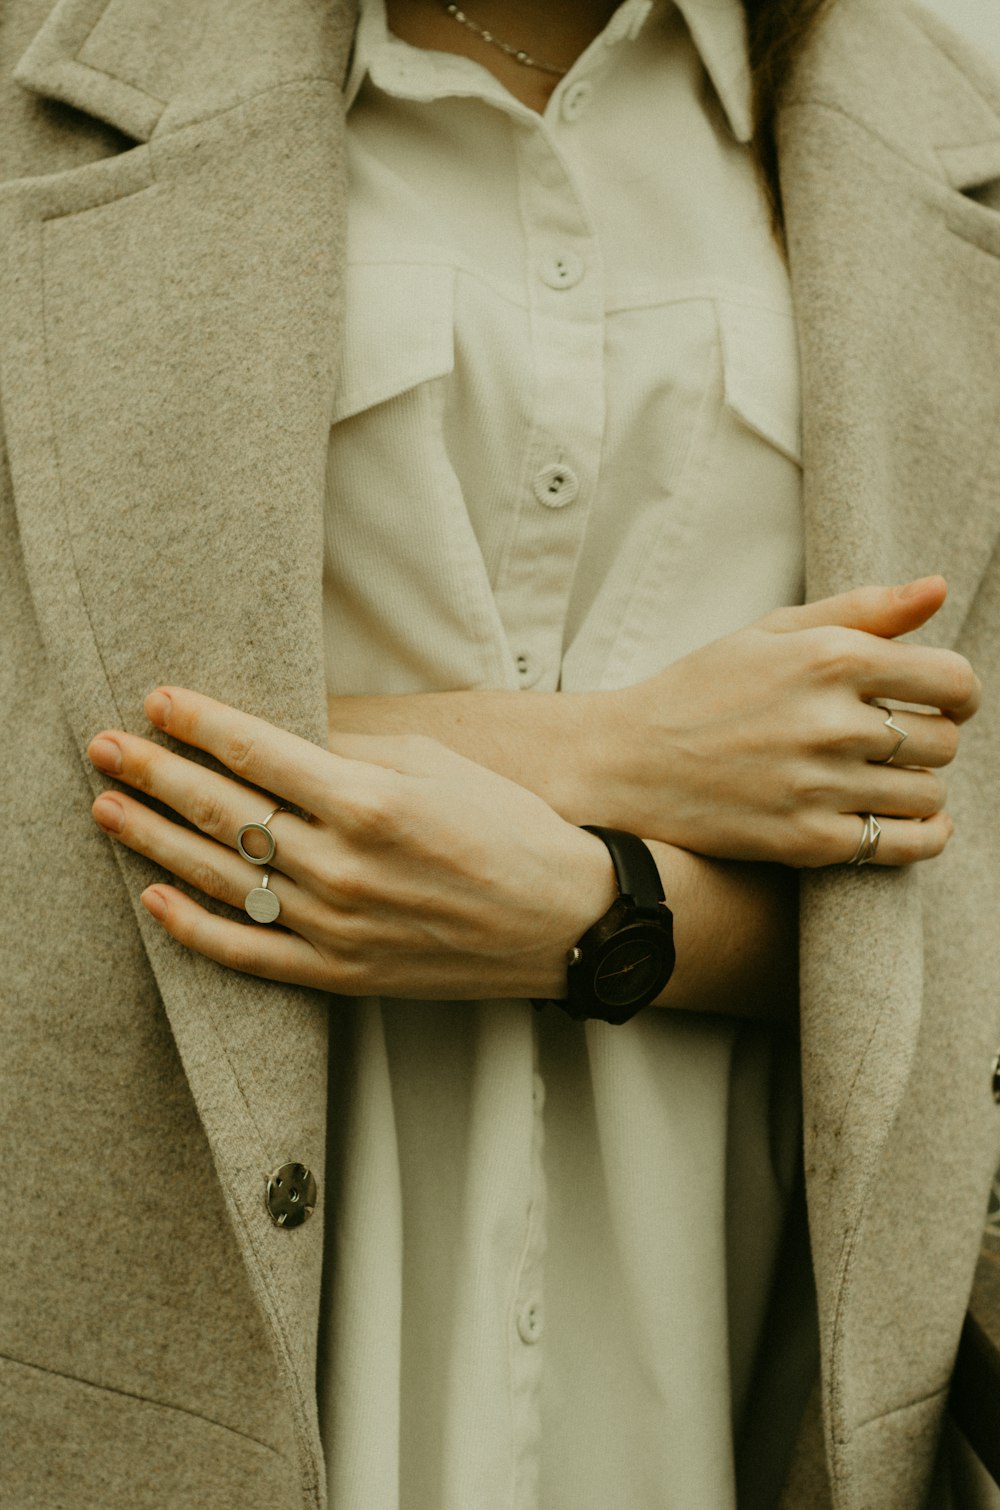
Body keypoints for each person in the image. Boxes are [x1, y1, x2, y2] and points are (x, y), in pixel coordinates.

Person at [1, 0, 998, 1505]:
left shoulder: (945, 137)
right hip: (172, 1355)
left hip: (729, 1364)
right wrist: (600, 749)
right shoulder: (52, 70)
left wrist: (602, 914)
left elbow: (967, 881)